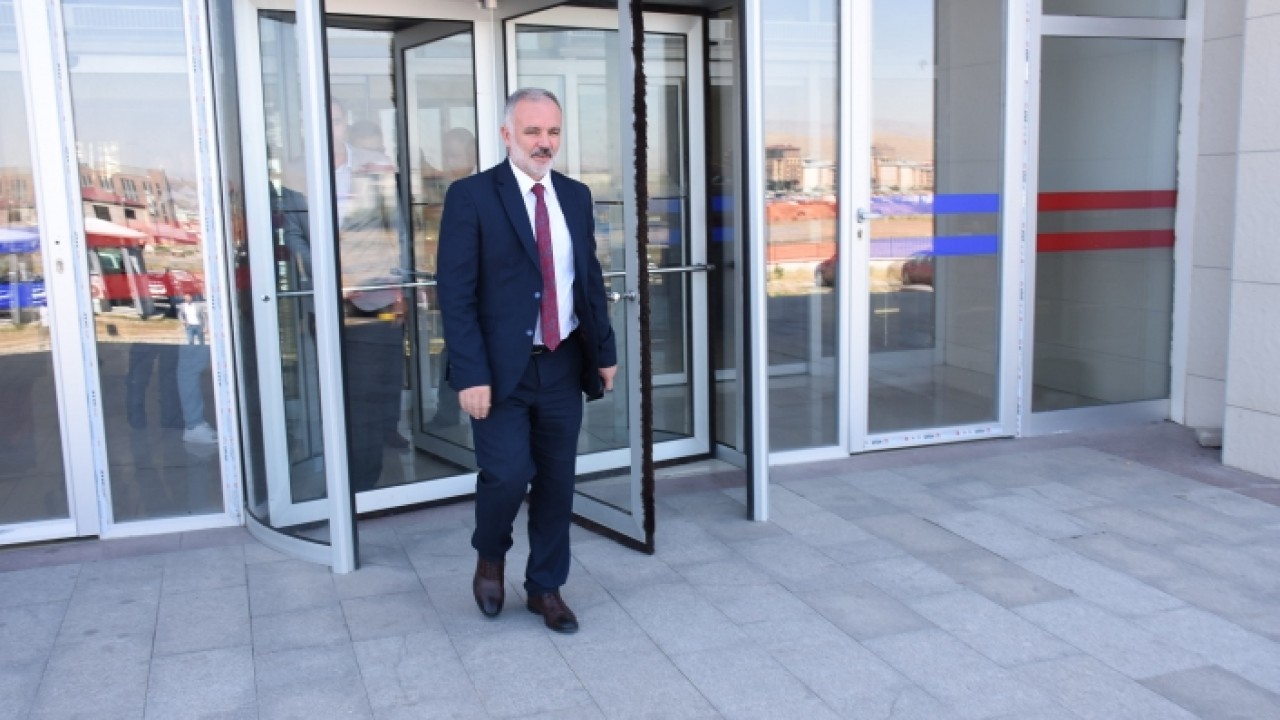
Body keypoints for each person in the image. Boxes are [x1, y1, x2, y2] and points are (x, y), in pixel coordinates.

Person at [437, 88, 617, 634]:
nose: (545, 143)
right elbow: (456, 294)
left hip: (563, 361)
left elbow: (588, 280)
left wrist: (604, 351)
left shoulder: (576, 196)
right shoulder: (471, 196)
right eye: (533, 131)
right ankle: (490, 556)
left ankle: (546, 588)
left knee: (558, 482)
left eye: (553, 132)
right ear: (507, 134)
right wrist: (470, 373)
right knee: (507, 475)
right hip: (498, 371)